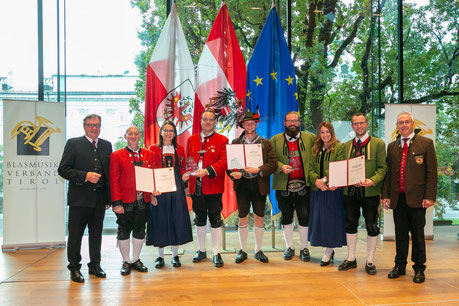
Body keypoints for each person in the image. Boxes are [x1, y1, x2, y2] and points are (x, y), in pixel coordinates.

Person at [382, 112, 437, 283]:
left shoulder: (426, 143)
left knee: (418, 235)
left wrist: (429, 196)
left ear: (412, 124)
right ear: (397, 126)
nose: (404, 125)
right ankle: (399, 266)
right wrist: (385, 195)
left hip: (418, 199)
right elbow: (388, 174)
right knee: (400, 234)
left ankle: (419, 268)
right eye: (400, 122)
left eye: (407, 122)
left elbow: (431, 173)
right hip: (398, 198)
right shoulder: (392, 146)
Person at [58, 114, 112, 283]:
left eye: (97, 125)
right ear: (84, 126)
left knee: (96, 235)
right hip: (79, 200)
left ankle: (95, 265)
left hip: (99, 200)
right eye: (91, 125)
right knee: (75, 235)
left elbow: (109, 174)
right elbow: (63, 169)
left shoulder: (106, 145)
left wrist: (109, 199)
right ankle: (74, 268)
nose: (94, 128)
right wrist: (85, 175)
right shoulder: (73, 144)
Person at [337, 113, 387, 275]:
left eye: (361, 123)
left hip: (370, 191)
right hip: (350, 192)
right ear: (351, 126)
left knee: (372, 225)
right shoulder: (345, 146)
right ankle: (351, 258)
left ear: (366, 124)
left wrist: (372, 180)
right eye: (355, 124)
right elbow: (341, 167)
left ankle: (370, 260)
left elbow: (383, 168)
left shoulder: (379, 144)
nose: (359, 126)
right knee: (350, 224)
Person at [228, 111, 277, 264]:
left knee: (259, 217)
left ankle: (258, 250)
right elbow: (230, 166)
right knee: (242, 217)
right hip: (242, 184)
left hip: (258, 184)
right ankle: (243, 250)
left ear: (256, 125)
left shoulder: (265, 143)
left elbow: (273, 164)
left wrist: (259, 169)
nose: (249, 126)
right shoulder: (235, 142)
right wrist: (233, 174)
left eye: (252, 123)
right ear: (243, 125)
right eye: (246, 123)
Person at [109, 126, 158, 276]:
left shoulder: (150, 155)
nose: (133, 136)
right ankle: (126, 261)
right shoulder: (116, 155)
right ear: (125, 136)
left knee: (139, 229)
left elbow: (154, 176)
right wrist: (116, 202)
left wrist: (154, 194)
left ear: (140, 136)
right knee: (123, 230)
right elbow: (113, 180)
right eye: (130, 134)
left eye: (136, 134)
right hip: (124, 201)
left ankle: (136, 259)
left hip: (144, 200)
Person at [183, 111, 228, 267]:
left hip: (214, 186)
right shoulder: (191, 139)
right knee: (199, 218)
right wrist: (187, 174)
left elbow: (224, 162)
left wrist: (207, 171)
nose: (208, 122)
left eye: (211, 119)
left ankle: (216, 252)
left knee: (215, 218)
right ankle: (201, 250)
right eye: (205, 119)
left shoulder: (222, 140)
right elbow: (187, 160)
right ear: (201, 121)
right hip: (196, 187)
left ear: (215, 122)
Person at [147, 121, 193, 269]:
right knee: (160, 220)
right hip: (160, 189)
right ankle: (160, 257)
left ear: (174, 134)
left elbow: (183, 168)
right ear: (161, 132)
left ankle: (175, 255)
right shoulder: (153, 148)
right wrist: (151, 193)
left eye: (171, 130)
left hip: (176, 188)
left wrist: (185, 177)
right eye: (165, 130)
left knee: (176, 219)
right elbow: (150, 170)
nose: (168, 133)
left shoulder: (179, 149)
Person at [270, 111, 315, 261]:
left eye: (295, 121)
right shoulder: (275, 140)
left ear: (299, 122)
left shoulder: (310, 138)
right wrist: (280, 167)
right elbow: (270, 160)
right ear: (284, 123)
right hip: (283, 186)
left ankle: (304, 248)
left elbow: (319, 155)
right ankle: (289, 247)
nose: (292, 124)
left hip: (305, 186)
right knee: (286, 216)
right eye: (289, 121)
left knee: (304, 216)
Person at [308, 122, 346, 266]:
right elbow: (310, 168)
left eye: (327, 132)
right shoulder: (315, 149)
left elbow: (339, 166)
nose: (325, 135)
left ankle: (329, 251)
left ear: (332, 132)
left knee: (331, 222)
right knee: (321, 221)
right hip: (318, 191)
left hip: (332, 190)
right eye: (322, 132)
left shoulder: (339, 147)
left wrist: (324, 180)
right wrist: (316, 181)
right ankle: (327, 248)